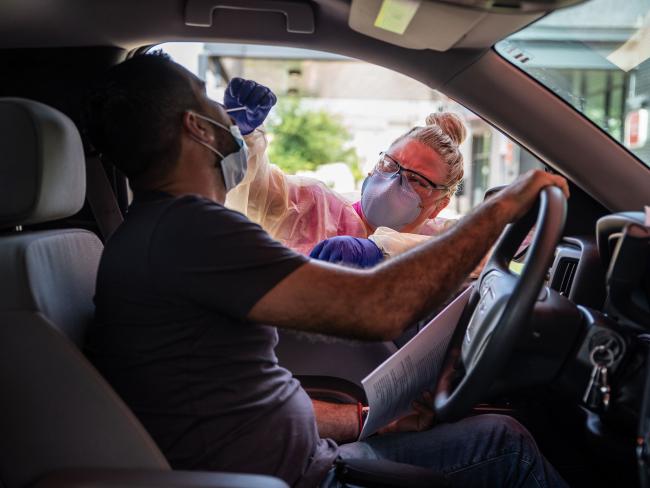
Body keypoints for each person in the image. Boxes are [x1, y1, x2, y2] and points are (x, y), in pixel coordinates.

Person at [82, 52, 570, 488]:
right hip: (298, 476)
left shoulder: (167, 229)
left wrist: (359, 421)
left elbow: (244, 401)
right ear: (196, 127)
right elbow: (379, 309)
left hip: (307, 459)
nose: (225, 116)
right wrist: (499, 211)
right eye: (208, 102)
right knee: (505, 447)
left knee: (498, 435)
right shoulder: (191, 230)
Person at [223, 78, 461, 267]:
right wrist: (243, 136)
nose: (393, 181)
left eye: (416, 179)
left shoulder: (444, 240)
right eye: (390, 164)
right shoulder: (315, 205)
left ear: (440, 204)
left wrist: (384, 251)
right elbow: (253, 193)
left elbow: (484, 250)